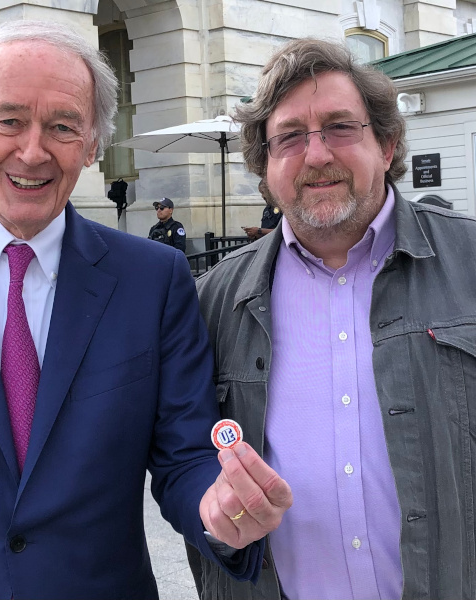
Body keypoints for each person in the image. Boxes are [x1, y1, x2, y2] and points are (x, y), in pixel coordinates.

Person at [0, 20, 291, 600]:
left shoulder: (153, 280)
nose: (33, 150)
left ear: (93, 144)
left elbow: (187, 454)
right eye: (9, 119)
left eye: (63, 126)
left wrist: (219, 503)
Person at [187, 37, 476, 600]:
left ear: (387, 145)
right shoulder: (213, 301)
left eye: (341, 127)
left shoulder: (471, 265)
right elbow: (183, 460)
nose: (316, 155)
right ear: (266, 166)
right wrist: (212, 510)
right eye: (290, 137)